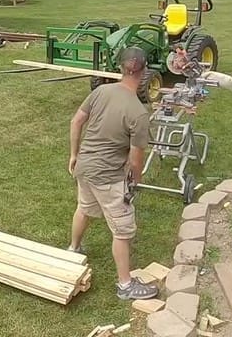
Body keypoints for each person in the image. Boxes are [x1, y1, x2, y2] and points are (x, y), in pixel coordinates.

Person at [67, 46, 159, 300]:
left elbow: (76, 121)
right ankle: (125, 285)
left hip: (84, 167)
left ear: (120, 67)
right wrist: (135, 181)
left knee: (85, 208)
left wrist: (74, 154)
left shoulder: (100, 91)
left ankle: (73, 249)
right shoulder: (138, 112)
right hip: (107, 177)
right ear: (144, 72)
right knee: (122, 229)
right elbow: (136, 157)